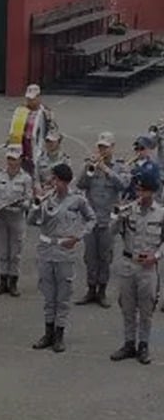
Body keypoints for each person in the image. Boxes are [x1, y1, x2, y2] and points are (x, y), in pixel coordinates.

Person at [29, 164, 97, 353]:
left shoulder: (77, 200)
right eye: (52, 179)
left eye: (56, 180)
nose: (53, 183)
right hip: (46, 250)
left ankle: (59, 335)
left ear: (64, 181)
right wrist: (36, 204)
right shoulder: (46, 198)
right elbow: (31, 221)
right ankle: (48, 333)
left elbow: (91, 218)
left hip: (64, 251)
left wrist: (78, 236)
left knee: (63, 296)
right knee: (48, 296)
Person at [75, 132, 132, 308]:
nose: (102, 150)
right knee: (90, 256)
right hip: (91, 219)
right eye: (100, 147)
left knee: (105, 256)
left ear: (113, 147)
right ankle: (91, 288)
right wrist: (88, 169)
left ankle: (102, 290)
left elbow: (124, 184)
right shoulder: (91, 165)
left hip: (109, 219)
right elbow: (80, 184)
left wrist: (107, 171)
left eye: (106, 147)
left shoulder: (120, 167)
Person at [109, 177, 161, 365]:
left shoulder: (160, 213)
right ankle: (129, 343)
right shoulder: (129, 211)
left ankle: (144, 345)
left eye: (144, 191)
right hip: (128, 263)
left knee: (146, 309)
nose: (140, 195)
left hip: (147, 266)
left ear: (152, 192)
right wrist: (118, 217)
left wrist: (156, 256)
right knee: (127, 307)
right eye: (138, 191)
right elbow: (111, 232)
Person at [0, 145, 34, 297]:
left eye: (14, 159)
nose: (11, 162)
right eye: (9, 158)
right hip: (1, 217)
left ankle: (13, 282)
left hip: (17, 217)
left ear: (20, 160)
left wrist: (22, 204)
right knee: (3, 250)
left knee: (15, 252)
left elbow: (29, 199)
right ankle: (2, 281)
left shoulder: (26, 178)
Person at [18, 84, 59, 178]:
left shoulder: (46, 112)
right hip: (24, 150)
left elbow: (53, 132)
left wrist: (49, 148)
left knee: (40, 176)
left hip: (39, 150)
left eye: (32, 99)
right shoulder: (21, 110)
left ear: (38, 97)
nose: (30, 101)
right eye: (28, 99)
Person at [127, 135, 161, 203]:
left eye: (142, 148)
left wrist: (134, 170)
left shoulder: (153, 165)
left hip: (148, 201)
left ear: (148, 149)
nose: (139, 151)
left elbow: (154, 182)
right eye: (136, 148)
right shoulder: (133, 164)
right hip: (132, 200)